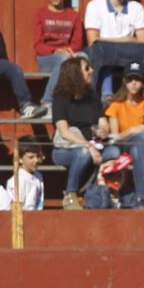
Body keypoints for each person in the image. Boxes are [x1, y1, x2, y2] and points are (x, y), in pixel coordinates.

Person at [50, 56, 113, 209]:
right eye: (86, 68)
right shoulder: (60, 97)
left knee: (116, 152)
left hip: (95, 144)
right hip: (65, 149)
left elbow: (102, 122)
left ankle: (100, 194)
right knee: (83, 153)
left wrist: (103, 131)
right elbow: (64, 132)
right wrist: (89, 146)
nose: (91, 71)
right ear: (75, 74)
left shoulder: (92, 96)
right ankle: (71, 195)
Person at [104, 63, 144, 205]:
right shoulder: (116, 104)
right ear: (124, 81)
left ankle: (141, 198)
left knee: (137, 149)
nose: (134, 83)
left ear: (143, 82)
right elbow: (115, 137)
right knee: (138, 138)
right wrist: (133, 130)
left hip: (140, 146)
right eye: (130, 79)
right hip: (121, 145)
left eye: (137, 79)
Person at [33, 0, 82, 110]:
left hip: (68, 55)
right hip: (46, 59)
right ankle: (47, 102)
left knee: (84, 58)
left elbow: (77, 43)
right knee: (62, 59)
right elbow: (38, 45)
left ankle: (86, 105)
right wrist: (56, 51)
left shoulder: (74, 15)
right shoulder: (40, 14)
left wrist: (69, 52)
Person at [11, 139, 45, 211]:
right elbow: (19, 209)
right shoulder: (18, 180)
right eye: (31, 157)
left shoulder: (38, 176)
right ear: (20, 159)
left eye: (38, 156)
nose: (36, 160)